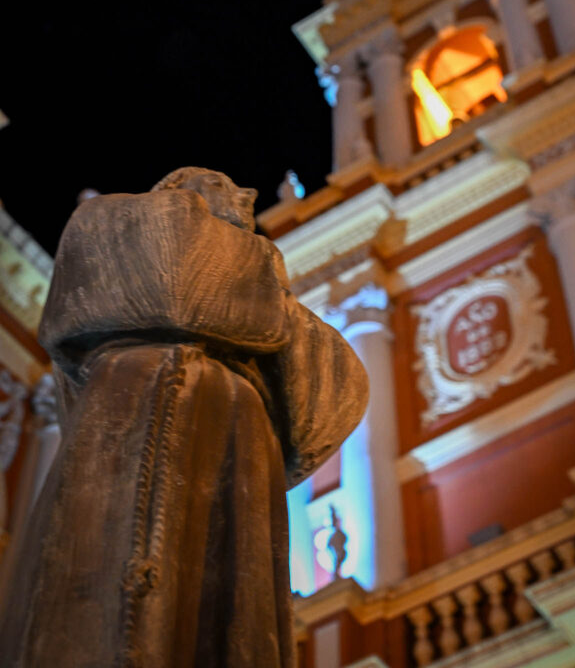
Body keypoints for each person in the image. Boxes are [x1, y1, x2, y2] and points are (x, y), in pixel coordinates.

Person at [0, 168, 368, 668]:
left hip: (235, 429)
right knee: (105, 573)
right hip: (131, 404)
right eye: (220, 186)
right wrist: (263, 301)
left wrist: (260, 306)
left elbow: (333, 397)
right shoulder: (110, 224)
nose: (244, 197)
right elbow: (176, 291)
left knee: (223, 593)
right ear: (176, 189)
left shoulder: (257, 312)